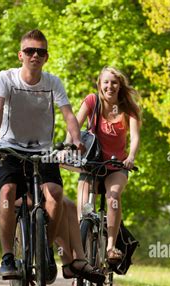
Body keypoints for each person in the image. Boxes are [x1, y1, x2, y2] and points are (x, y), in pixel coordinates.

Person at [0, 77, 104, 283]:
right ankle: (35, 254)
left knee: (66, 205)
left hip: (27, 179)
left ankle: (72, 260)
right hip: (0, 184)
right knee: (34, 204)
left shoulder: (15, 117)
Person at [67, 66, 141, 264]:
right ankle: (80, 259)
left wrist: (131, 156)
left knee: (113, 197)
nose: (110, 86)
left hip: (116, 165)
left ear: (120, 86)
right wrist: (69, 145)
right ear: (99, 84)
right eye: (106, 82)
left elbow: (134, 137)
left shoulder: (128, 108)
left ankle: (110, 246)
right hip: (91, 163)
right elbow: (75, 125)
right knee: (83, 211)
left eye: (114, 82)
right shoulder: (92, 101)